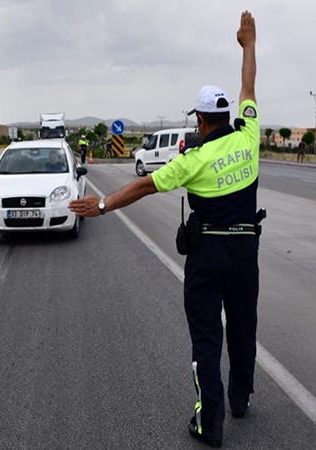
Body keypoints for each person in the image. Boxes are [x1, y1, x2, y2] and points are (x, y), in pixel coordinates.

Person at [68, 11, 260, 448]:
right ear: (227, 114)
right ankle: (241, 399)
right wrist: (248, 45)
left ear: (200, 120)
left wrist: (101, 204)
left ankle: (209, 424)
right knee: (244, 327)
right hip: (245, 252)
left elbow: (142, 185)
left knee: (208, 340)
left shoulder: (191, 160)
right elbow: (248, 85)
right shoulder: (248, 135)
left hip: (207, 255)